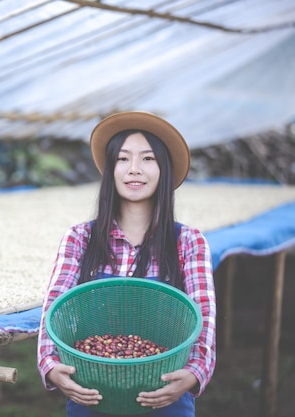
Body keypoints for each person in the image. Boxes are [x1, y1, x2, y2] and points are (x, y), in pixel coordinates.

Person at [37, 111, 216, 416]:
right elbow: (55, 307)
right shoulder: (80, 238)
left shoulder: (188, 242)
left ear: (164, 170)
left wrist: (194, 372)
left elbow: (203, 316)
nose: (134, 170)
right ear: (111, 169)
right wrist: (50, 365)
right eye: (123, 159)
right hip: (92, 392)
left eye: (148, 159)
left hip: (164, 393)